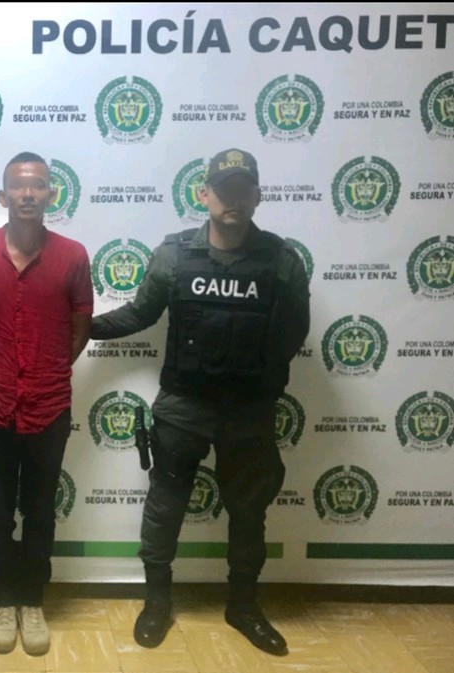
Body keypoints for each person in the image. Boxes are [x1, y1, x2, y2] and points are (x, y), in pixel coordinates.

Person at [90, 149, 310, 656]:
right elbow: (140, 314)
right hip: (184, 405)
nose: (235, 199)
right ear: (204, 194)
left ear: (258, 196)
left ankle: (243, 606)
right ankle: (157, 603)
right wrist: (80, 326)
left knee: (249, 512)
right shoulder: (175, 255)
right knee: (165, 507)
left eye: (244, 190)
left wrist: (255, 380)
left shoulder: (281, 260)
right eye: (225, 189)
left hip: (248, 410)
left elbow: (293, 332)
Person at [0, 152, 93, 656]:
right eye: (18, 185)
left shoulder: (73, 256)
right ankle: (3, 601)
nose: (28, 194)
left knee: (39, 511)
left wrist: (45, 372)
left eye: (37, 186)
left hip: (48, 408)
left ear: (51, 194)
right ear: (2, 194)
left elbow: (80, 327)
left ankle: (32, 599)